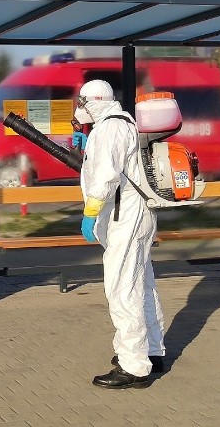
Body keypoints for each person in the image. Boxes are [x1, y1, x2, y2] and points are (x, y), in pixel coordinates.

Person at [75, 79, 165, 389]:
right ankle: (151, 351)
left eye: (82, 102)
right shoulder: (118, 122)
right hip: (135, 215)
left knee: (122, 288)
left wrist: (89, 212)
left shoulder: (111, 127)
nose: (79, 108)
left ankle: (134, 366)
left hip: (124, 217)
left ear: (96, 101)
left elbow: (107, 176)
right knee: (142, 282)